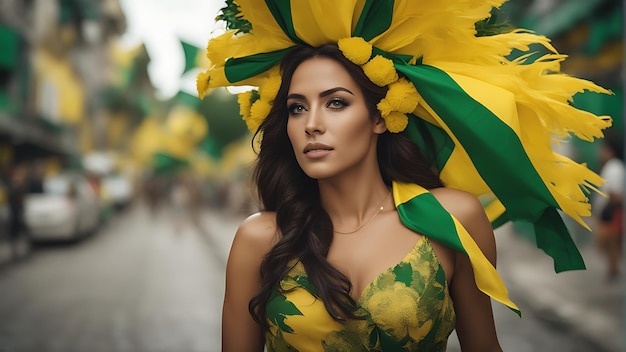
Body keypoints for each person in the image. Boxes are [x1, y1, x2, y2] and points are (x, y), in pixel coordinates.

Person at [198, 1, 612, 350]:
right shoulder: (258, 240)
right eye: (297, 107)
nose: (312, 124)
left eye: (336, 103)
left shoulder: (453, 219)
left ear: (382, 116)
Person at [593, 131, 624, 280]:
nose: (600, 153)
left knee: (610, 243)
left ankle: (613, 270)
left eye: (603, 149)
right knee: (608, 244)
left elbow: (615, 194)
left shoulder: (614, 168)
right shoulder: (612, 167)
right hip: (609, 212)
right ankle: (612, 270)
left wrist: (607, 209)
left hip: (611, 213)